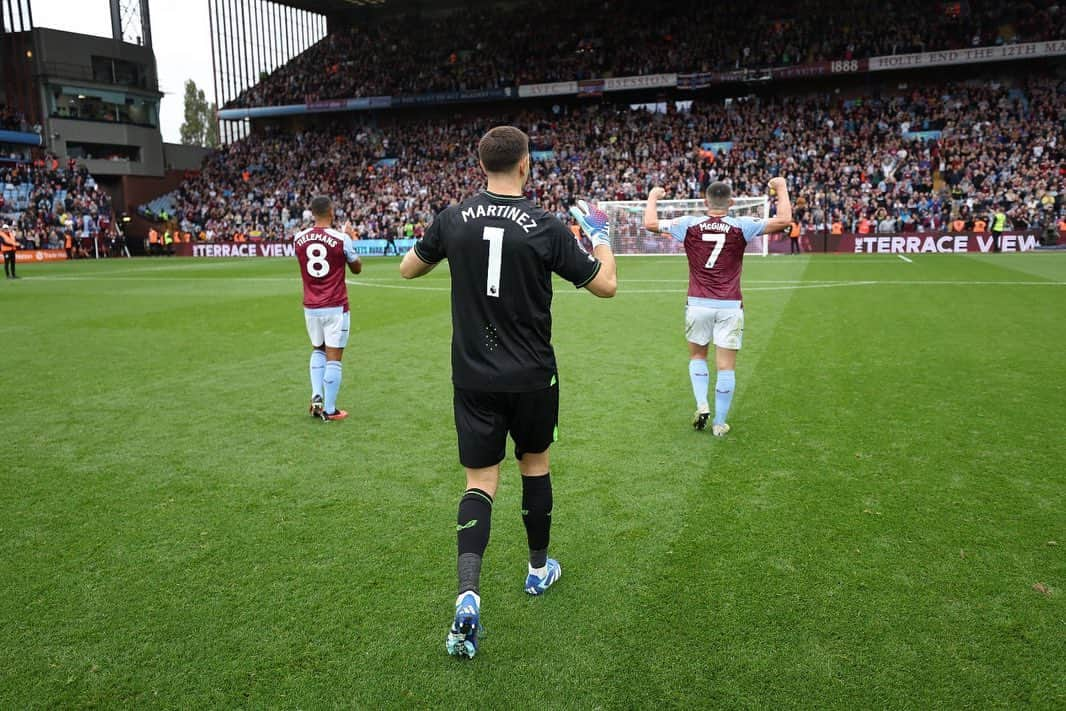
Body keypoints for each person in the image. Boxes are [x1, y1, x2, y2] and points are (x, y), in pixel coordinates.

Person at [398, 125, 617, 659]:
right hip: (531, 376)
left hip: (473, 376)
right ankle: (538, 570)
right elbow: (606, 285)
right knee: (535, 465)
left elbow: (408, 269)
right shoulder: (544, 226)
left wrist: (443, 242)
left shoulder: (453, 218)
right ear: (526, 165)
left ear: (481, 166)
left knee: (479, 482)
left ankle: (468, 596)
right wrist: (602, 237)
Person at [644, 178, 793, 436]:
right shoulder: (742, 225)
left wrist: (654, 197)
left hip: (698, 303)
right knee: (726, 367)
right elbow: (783, 221)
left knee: (697, 356)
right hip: (730, 305)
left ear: (704, 201)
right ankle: (720, 424)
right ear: (732, 203)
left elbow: (650, 224)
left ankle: (702, 404)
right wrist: (780, 188)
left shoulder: (689, 224)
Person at [295, 196, 362, 422]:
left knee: (317, 350)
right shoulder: (340, 238)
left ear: (312, 213)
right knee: (334, 358)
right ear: (331, 212)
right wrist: (351, 239)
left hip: (311, 306)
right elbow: (357, 268)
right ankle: (330, 410)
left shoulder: (298, 238)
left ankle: (316, 399)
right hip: (335, 306)